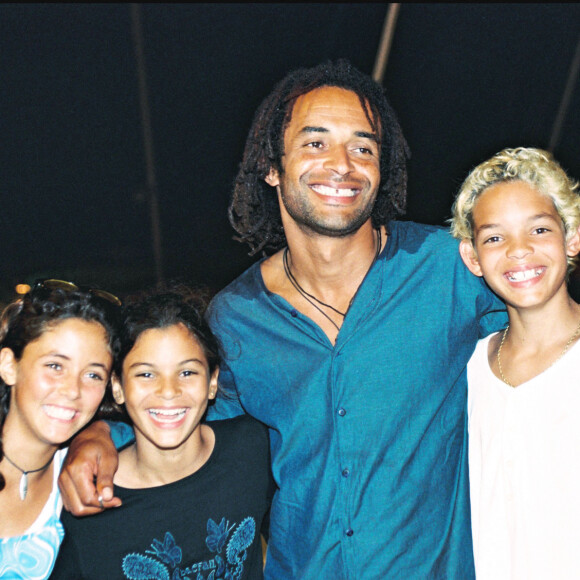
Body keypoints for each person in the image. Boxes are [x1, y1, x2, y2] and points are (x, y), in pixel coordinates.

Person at [58, 60, 506, 578]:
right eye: (315, 143)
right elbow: (179, 415)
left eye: (363, 147)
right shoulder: (237, 318)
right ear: (272, 166)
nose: (342, 165)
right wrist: (94, 436)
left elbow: (551, 337)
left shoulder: (449, 269)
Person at [51, 286, 274, 579]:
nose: (168, 391)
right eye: (146, 374)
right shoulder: (85, 500)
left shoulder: (253, 448)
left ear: (212, 381)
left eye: (187, 372)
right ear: (117, 386)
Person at [450, 147, 580, 579]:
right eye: (494, 238)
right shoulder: (470, 367)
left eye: (539, 229)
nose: (519, 251)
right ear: (472, 258)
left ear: (572, 236)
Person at [0, 279, 120, 579]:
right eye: (55, 366)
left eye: (93, 374)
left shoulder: (83, 478)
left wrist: (102, 433)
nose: (72, 390)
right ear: (8, 366)